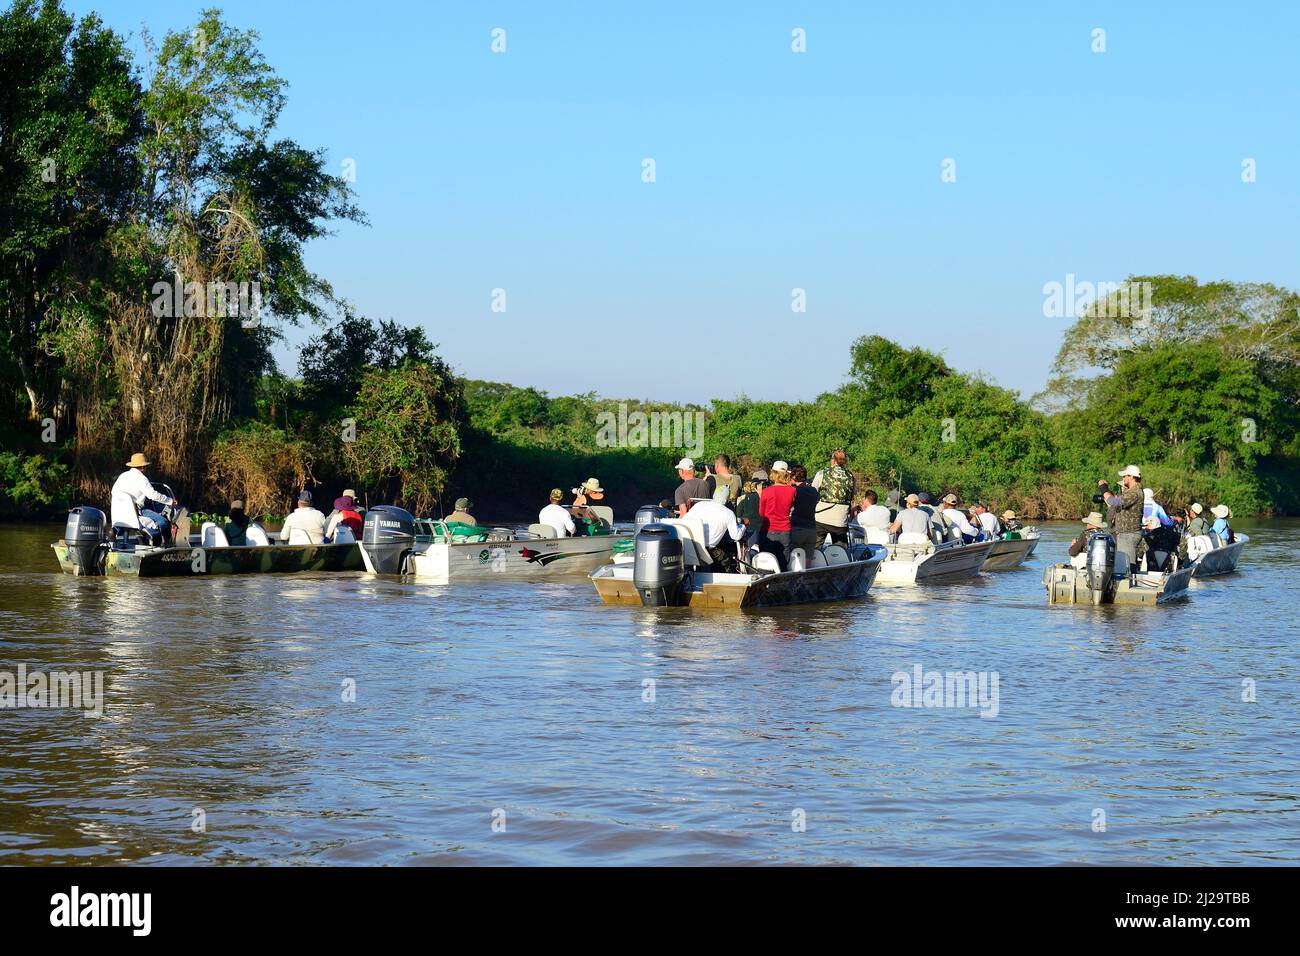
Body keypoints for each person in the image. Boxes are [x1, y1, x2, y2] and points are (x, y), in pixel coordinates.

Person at [110, 452, 176, 540]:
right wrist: (170, 501)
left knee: (130, 524)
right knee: (163, 522)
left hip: (119, 513)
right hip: (135, 512)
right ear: (142, 467)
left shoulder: (122, 476)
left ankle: (118, 535)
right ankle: (145, 533)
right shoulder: (142, 479)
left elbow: (113, 492)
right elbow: (153, 495)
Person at [1101, 465, 1144, 575]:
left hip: (1129, 533)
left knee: (1128, 565)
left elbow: (1113, 502)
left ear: (1131, 477)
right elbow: (1116, 505)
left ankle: (1131, 586)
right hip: (1126, 533)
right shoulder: (1131, 492)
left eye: (1125, 476)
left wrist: (1104, 488)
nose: (1123, 478)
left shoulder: (1134, 493)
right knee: (1125, 564)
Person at [686, 497, 745, 571]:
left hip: (690, 544)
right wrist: (743, 526)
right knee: (725, 562)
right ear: (726, 500)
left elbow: (685, 520)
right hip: (708, 549)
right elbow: (736, 536)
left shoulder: (699, 505)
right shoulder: (728, 513)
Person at [811, 449, 856, 545]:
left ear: (834, 460)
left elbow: (812, 493)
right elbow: (851, 496)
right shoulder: (851, 477)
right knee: (841, 553)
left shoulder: (822, 473)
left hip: (821, 518)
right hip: (840, 520)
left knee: (814, 550)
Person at [757, 461, 797, 567]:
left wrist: (761, 496)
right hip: (785, 530)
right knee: (783, 564)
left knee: (767, 565)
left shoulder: (767, 491)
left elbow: (761, 513)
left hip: (768, 530)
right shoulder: (792, 491)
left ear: (773, 473)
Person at [789, 464, 821, 556]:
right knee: (807, 562)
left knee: (794, 561)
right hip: (811, 529)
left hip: (797, 528)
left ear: (794, 476)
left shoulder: (794, 491)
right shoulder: (813, 491)